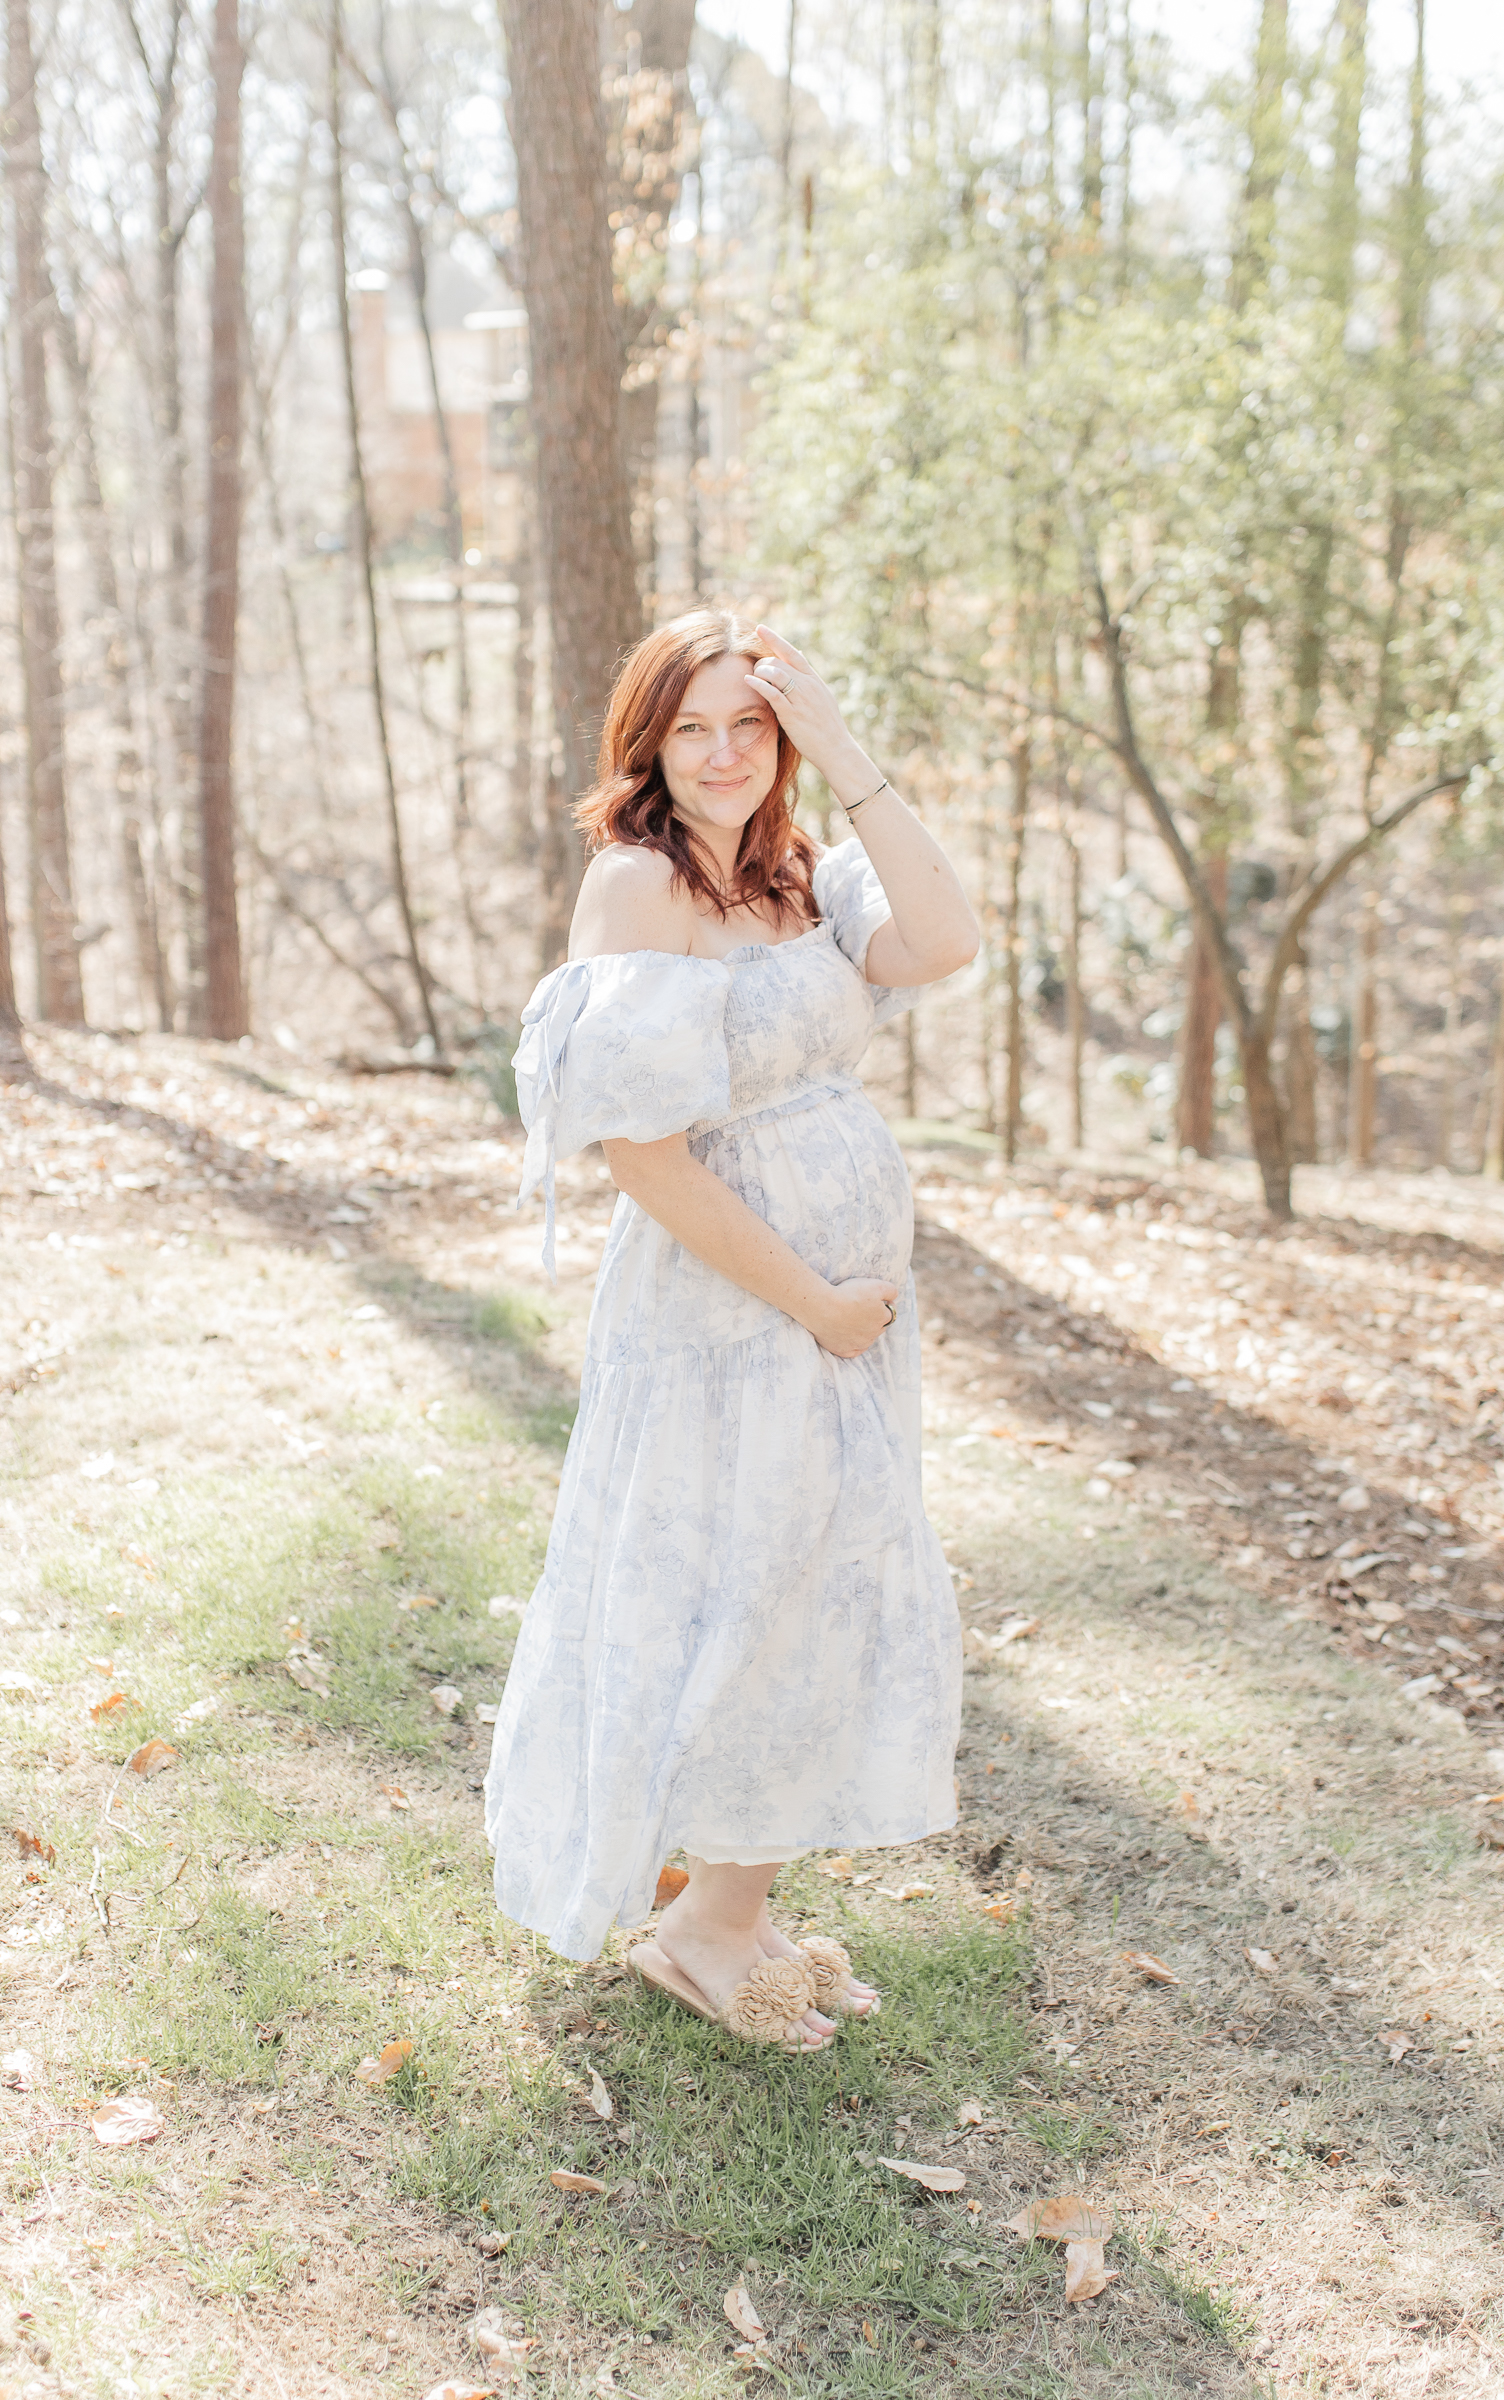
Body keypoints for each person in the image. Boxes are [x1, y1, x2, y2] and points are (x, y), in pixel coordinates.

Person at [484, 610, 980, 2052]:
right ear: (649, 741)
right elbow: (641, 1155)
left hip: (838, 1323)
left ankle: (739, 1909)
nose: (720, 754)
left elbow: (944, 940)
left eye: (748, 728)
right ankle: (701, 1928)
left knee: (816, 1589)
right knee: (741, 1588)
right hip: (733, 1313)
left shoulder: (801, 871)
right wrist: (816, 1301)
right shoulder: (638, 889)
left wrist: (847, 755)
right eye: (691, 727)